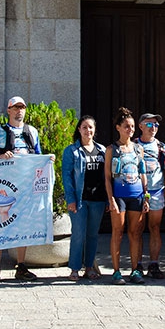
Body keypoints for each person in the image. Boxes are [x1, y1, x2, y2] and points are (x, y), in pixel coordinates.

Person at [0, 96, 43, 281]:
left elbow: (38, 157)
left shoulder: (32, 132)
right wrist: (2, 157)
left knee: (23, 224)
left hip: (24, 185)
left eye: (22, 107)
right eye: (15, 107)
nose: (19, 110)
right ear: (8, 110)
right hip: (3, 185)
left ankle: (21, 265)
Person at [105, 107, 149, 285]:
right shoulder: (111, 149)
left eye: (132, 127)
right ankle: (116, 272)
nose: (130, 130)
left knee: (135, 233)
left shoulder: (139, 149)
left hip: (137, 195)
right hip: (119, 196)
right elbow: (107, 178)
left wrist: (146, 197)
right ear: (118, 127)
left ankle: (135, 270)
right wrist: (111, 199)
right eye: (126, 126)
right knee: (118, 232)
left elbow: (143, 173)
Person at [62, 115, 108, 281]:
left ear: (94, 130)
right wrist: (70, 199)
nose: (88, 130)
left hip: (98, 199)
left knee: (92, 234)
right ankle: (74, 268)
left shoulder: (102, 150)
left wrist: (109, 200)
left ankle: (89, 267)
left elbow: (108, 177)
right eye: (84, 127)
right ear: (79, 130)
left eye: (91, 127)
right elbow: (66, 176)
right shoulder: (72, 151)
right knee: (78, 233)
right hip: (80, 199)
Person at [134, 113, 165, 279]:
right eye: (149, 124)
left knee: (154, 228)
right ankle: (137, 264)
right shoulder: (133, 145)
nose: (153, 128)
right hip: (137, 192)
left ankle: (154, 264)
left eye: (156, 125)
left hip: (156, 191)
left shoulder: (162, 146)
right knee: (137, 229)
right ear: (140, 126)